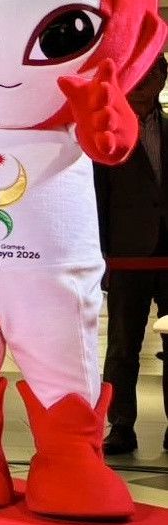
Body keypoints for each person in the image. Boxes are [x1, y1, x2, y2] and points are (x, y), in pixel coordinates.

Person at [95, 55, 168, 456]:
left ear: (162, 78)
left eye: (153, 73)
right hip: (126, 254)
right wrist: (100, 255)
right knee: (123, 347)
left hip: (167, 255)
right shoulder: (110, 135)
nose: (144, 82)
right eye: (137, 74)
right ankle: (121, 425)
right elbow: (98, 200)